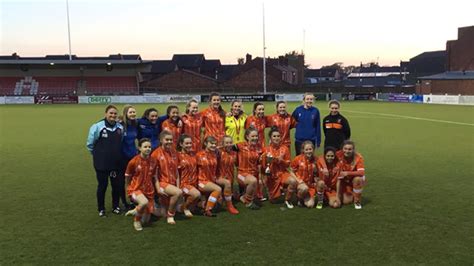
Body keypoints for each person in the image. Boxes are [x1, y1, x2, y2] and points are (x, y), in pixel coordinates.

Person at [86, 105, 124, 217]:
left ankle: (115, 206)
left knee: (116, 186)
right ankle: (101, 208)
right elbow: (90, 144)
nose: (113, 115)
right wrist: (99, 155)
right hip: (101, 163)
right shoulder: (97, 126)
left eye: (115, 114)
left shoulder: (120, 127)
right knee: (102, 186)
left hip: (116, 163)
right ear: (105, 114)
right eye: (111, 113)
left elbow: (120, 142)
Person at [196, 136, 239, 216]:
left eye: (214, 144)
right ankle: (207, 209)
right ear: (205, 143)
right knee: (220, 188)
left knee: (218, 204)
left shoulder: (215, 153)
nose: (213, 145)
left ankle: (228, 205)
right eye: (211, 143)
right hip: (202, 181)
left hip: (213, 179)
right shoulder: (199, 155)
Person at [124, 138, 157, 231]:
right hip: (135, 189)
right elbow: (127, 177)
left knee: (146, 220)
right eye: (145, 147)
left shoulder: (154, 161)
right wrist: (128, 189)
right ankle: (136, 221)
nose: (148, 149)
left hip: (148, 191)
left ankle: (136, 210)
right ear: (139, 148)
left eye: (149, 147)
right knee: (143, 202)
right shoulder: (133, 161)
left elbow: (153, 176)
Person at [151, 130, 183, 224]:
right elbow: (154, 174)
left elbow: (176, 171)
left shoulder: (174, 152)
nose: (169, 142)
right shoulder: (155, 154)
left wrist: (178, 186)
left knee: (165, 212)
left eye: (171, 140)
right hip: (162, 183)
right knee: (177, 193)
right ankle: (170, 215)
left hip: (172, 183)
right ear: (161, 140)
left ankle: (156, 207)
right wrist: (158, 189)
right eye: (167, 140)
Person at [261, 127, 297, 209]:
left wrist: (282, 160)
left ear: (281, 137)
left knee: (293, 181)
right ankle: (280, 190)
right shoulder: (266, 150)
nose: (276, 138)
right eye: (274, 136)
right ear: (270, 137)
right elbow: (263, 167)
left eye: (278, 136)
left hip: (282, 174)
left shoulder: (285, 149)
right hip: (272, 176)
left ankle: (288, 200)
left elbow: (288, 164)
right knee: (273, 200)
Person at [234, 127, 262, 210]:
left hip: (254, 174)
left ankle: (241, 197)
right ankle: (248, 202)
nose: (255, 138)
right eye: (252, 136)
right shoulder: (240, 145)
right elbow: (227, 147)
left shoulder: (259, 148)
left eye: (256, 136)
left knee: (255, 183)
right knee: (252, 181)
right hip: (242, 174)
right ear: (247, 137)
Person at [118, 104, 138, 210]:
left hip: (133, 156)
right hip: (123, 158)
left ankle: (133, 199)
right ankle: (124, 201)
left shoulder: (135, 124)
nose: (133, 114)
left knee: (133, 179)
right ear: (126, 114)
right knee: (123, 180)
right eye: (130, 112)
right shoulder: (120, 125)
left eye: (134, 112)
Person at [177, 134, 201, 218]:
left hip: (195, 182)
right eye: (187, 143)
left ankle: (189, 205)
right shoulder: (178, 156)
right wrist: (178, 187)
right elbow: (176, 173)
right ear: (181, 144)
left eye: (190, 143)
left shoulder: (194, 154)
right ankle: (185, 207)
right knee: (196, 194)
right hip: (184, 184)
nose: (189, 145)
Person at [336, 140, 365, 209]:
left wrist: (347, 173)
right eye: (345, 149)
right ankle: (352, 193)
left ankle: (357, 201)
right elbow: (324, 157)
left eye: (350, 149)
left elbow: (362, 173)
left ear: (353, 150)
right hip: (344, 180)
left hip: (354, 180)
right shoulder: (338, 154)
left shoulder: (358, 157)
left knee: (358, 179)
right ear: (342, 148)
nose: (347, 151)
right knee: (346, 201)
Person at [290, 141, 318, 208]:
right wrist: (298, 180)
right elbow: (291, 170)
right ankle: (298, 198)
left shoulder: (316, 159)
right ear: (303, 150)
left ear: (313, 150)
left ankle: (304, 198)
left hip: (310, 186)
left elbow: (318, 174)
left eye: (310, 149)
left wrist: (315, 170)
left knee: (310, 205)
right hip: (301, 184)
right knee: (304, 188)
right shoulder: (298, 159)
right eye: (306, 150)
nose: (309, 151)